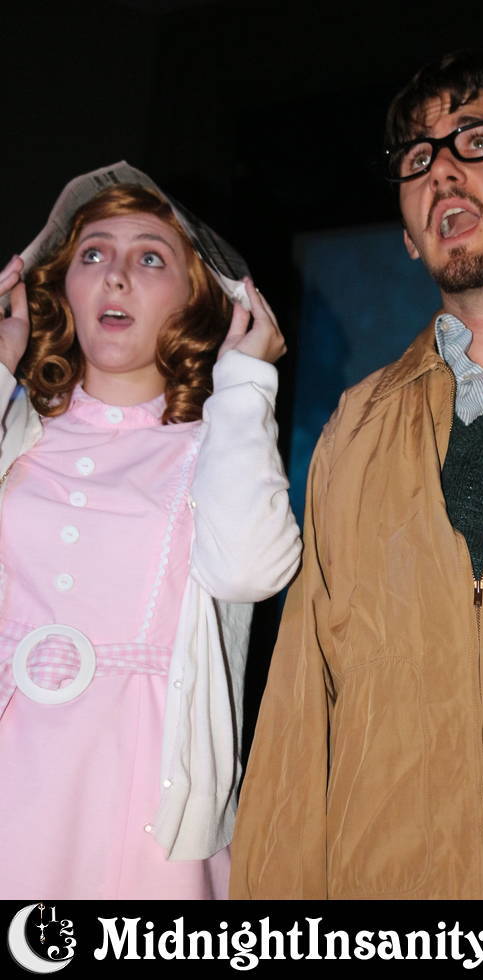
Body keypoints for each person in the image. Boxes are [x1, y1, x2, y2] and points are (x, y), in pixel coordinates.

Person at [230, 49, 483, 900]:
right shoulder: (353, 431)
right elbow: (302, 707)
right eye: (418, 156)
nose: (442, 170)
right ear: (405, 233)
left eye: (478, 139)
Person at [0, 162, 301, 899]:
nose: (116, 275)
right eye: (94, 253)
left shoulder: (213, 445)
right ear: (64, 286)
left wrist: (245, 388)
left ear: (196, 295)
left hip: (141, 792)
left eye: (151, 258)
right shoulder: (17, 429)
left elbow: (250, 572)